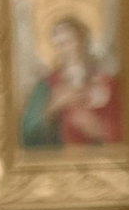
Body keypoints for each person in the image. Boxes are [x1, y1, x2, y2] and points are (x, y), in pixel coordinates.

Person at [20, 11, 123, 150]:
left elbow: (126, 132)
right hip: (58, 163)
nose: (65, 50)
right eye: (59, 44)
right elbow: (27, 134)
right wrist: (52, 108)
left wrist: (98, 130)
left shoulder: (107, 83)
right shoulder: (46, 85)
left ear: (83, 40)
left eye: (69, 41)